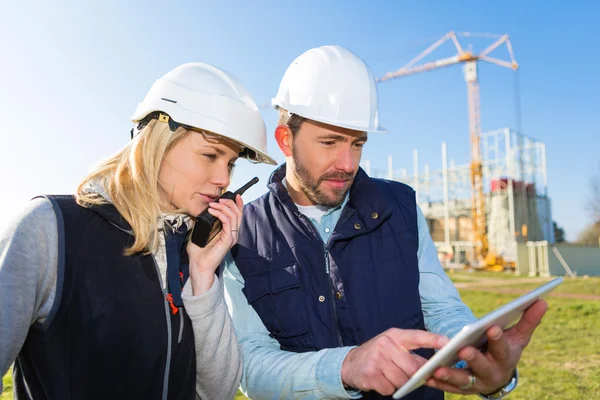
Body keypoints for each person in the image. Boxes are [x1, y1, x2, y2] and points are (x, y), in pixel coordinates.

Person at [223, 45, 548, 399]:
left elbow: (440, 309)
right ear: (286, 140)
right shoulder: (241, 233)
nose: (347, 163)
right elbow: (250, 365)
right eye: (329, 143)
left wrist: (476, 357)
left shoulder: (400, 206)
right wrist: (345, 366)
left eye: (358, 144)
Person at [0, 62, 276, 399]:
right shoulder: (49, 227)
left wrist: (203, 277)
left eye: (230, 163)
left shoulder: (197, 254)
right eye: (210, 154)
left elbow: (217, 392)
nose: (224, 179)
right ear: (157, 141)